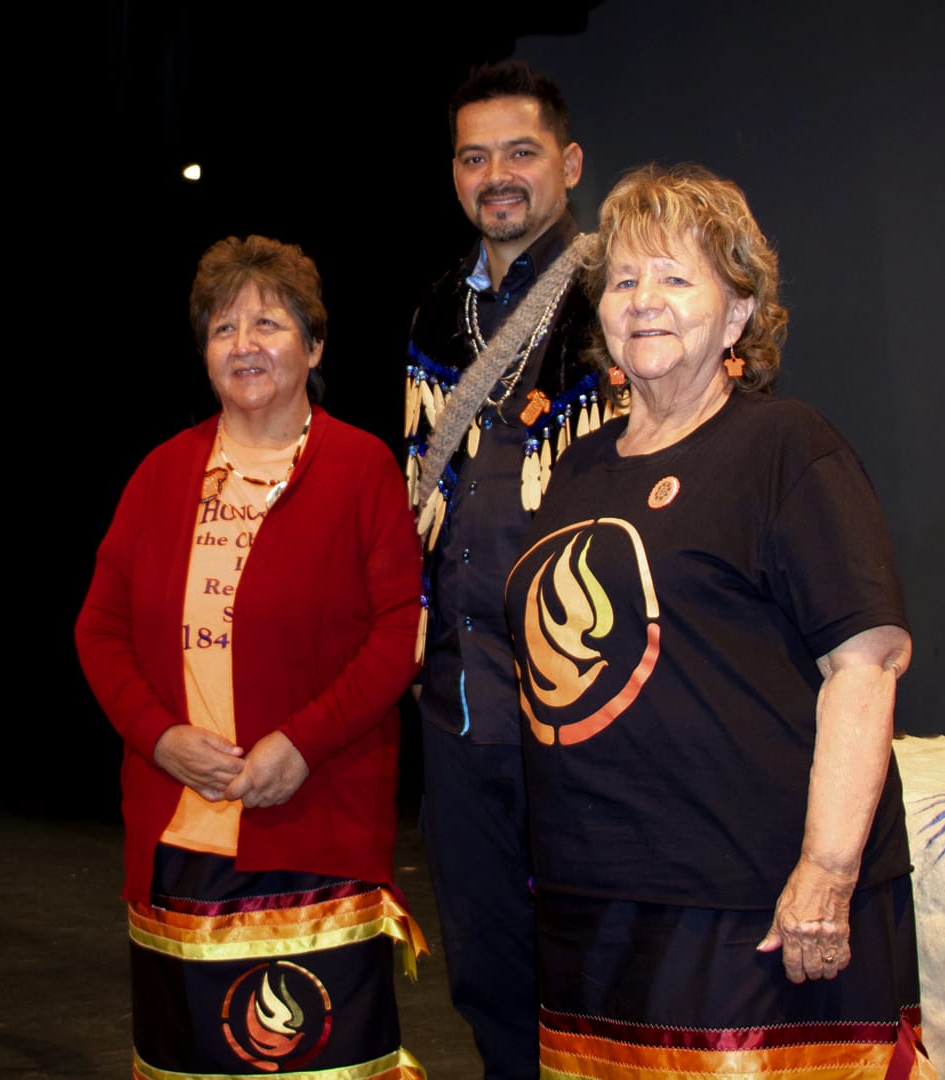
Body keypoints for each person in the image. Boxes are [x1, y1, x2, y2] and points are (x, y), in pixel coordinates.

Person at [505, 164, 936, 1078]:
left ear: (738, 312)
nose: (642, 300)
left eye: (674, 276)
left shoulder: (786, 447)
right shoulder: (575, 471)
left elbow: (863, 666)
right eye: (623, 280)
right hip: (593, 911)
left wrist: (826, 871)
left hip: (751, 916)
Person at [75, 236, 424, 1080]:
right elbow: (99, 628)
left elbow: (396, 634)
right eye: (223, 327)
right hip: (179, 836)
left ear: (314, 345)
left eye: (268, 322)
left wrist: (299, 744)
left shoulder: (361, 467)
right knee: (186, 1062)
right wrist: (159, 739)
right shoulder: (161, 473)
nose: (244, 344)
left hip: (313, 828)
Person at [404, 60, 609, 1078]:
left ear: (567, 163)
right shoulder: (435, 312)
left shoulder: (621, 295)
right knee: (485, 963)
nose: (497, 175)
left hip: (589, 701)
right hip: (458, 703)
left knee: (602, 962)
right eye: (474, 155)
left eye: (519, 152)